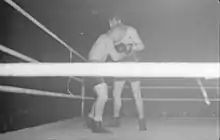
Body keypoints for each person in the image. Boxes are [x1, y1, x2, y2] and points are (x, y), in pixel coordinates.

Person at [85, 22, 129, 133]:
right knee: (103, 95)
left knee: (101, 94)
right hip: (94, 66)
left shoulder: (103, 38)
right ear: (116, 33)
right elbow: (115, 57)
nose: (119, 38)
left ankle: (91, 119)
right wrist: (125, 53)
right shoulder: (108, 39)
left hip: (91, 66)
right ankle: (97, 124)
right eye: (120, 36)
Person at [108, 17, 147, 131]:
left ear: (118, 20)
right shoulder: (111, 34)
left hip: (132, 63)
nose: (110, 24)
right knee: (116, 93)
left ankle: (142, 121)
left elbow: (141, 45)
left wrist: (130, 46)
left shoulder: (130, 30)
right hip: (120, 64)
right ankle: (116, 119)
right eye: (109, 22)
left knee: (136, 93)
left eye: (112, 21)